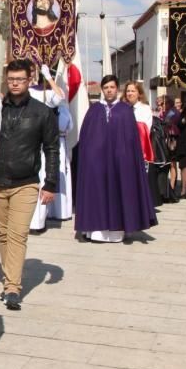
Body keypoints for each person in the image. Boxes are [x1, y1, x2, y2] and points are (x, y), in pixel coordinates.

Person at [0, 59, 58, 309]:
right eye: (11, 79)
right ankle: (9, 279)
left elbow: (51, 149)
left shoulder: (42, 112)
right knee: (3, 234)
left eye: (20, 79)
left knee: (17, 235)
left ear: (30, 81)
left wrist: (51, 183)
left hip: (25, 183)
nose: (15, 83)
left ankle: (13, 287)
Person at [75, 75, 157, 243]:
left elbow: (132, 140)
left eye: (112, 87)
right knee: (97, 193)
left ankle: (118, 230)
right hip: (97, 163)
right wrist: (90, 158)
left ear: (117, 89)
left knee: (118, 192)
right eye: (106, 88)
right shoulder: (94, 110)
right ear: (102, 90)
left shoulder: (125, 111)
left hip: (120, 162)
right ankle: (95, 231)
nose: (109, 90)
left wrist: (127, 158)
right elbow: (85, 137)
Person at [28, 64, 72, 233]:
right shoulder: (26, 91)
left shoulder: (47, 92)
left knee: (41, 179)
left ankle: (38, 221)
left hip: (44, 140)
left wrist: (49, 78)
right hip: (28, 140)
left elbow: (60, 97)